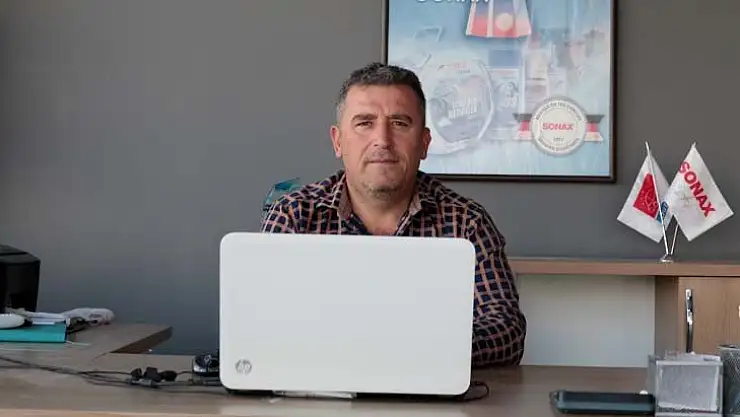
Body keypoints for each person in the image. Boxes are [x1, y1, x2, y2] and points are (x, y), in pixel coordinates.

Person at [260, 62, 526, 367]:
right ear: (338, 141)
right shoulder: (293, 216)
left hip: (429, 388)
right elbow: (260, 323)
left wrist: (413, 351)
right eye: (364, 123)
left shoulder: (467, 223)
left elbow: (507, 331)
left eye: (399, 123)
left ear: (424, 143)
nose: (383, 140)